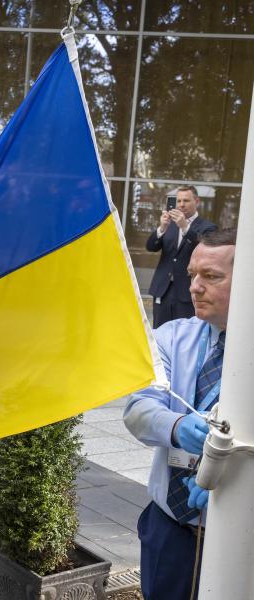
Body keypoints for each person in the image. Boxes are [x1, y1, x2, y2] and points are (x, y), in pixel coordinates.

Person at [124, 228, 237, 600]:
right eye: (192, 275)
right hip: (169, 532)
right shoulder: (172, 337)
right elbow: (139, 407)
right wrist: (176, 425)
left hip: (237, 537)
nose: (194, 287)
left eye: (212, 276)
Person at [146, 185, 216, 328]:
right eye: (178, 201)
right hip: (163, 290)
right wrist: (161, 229)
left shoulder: (208, 227)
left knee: (185, 334)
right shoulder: (169, 224)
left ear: (197, 202)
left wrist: (185, 227)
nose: (181, 205)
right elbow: (150, 247)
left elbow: (207, 250)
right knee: (159, 332)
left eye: (186, 201)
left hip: (187, 291)